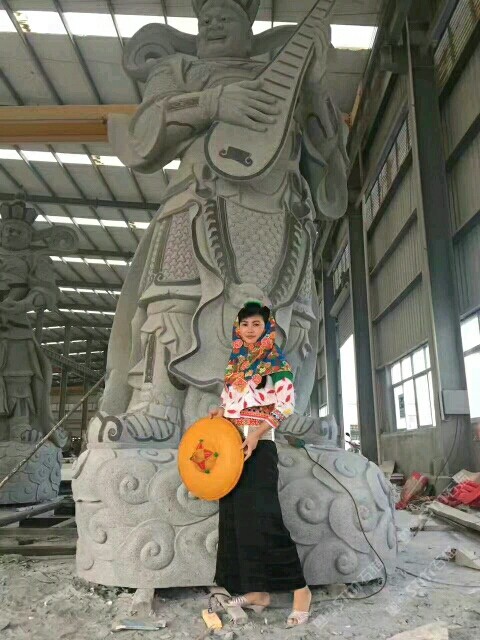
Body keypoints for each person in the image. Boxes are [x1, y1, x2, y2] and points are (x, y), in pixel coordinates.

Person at [209, 300, 311, 628]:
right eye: (245, 324)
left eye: (257, 324)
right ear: (237, 328)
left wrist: (255, 434)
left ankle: (301, 591)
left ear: (267, 328)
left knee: (266, 519)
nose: (250, 329)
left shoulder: (274, 362)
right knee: (236, 520)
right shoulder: (236, 364)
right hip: (230, 446)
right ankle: (257, 592)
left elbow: (285, 406)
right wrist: (220, 413)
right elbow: (232, 404)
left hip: (259, 446)